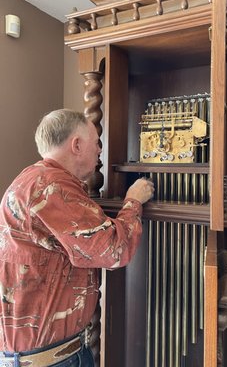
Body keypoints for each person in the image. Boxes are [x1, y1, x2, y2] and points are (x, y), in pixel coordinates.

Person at [0, 109, 154, 367]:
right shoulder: (52, 187)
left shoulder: (33, 178)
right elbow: (114, 251)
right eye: (96, 144)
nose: (99, 153)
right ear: (77, 145)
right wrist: (133, 201)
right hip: (50, 360)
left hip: (51, 354)